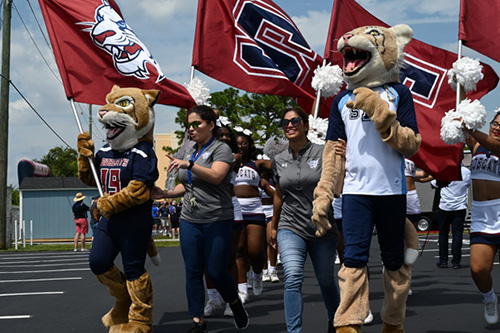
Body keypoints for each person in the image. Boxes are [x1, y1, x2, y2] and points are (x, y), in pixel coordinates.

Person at [151, 105, 248, 332]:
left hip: (217, 218)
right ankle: (197, 321)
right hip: (190, 219)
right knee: (193, 271)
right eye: (189, 125)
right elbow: (186, 184)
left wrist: (190, 165)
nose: (191, 128)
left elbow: (216, 176)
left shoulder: (221, 149)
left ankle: (234, 302)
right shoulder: (188, 150)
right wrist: (164, 193)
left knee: (215, 271)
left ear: (211, 125)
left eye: (197, 124)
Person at [268, 107, 340, 333]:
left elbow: (337, 188)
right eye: (285, 122)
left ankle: (335, 321)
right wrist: (274, 224)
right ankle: (294, 331)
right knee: (292, 277)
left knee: (327, 281)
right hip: (290, 226)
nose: (289, 125)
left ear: (306, 125)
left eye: (295, 121)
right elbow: (279, 194)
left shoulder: (323, 152)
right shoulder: (278, 159)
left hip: (321, 227)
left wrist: (343, 156)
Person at [203, 124, 244, 318]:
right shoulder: (201, 152)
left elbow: (213, 171)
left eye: (228, 136)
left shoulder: (233, 156)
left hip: (230, 210)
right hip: (207, 210)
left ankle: (231, 299)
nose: (226, 138)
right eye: (221, 135)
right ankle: (213, 299)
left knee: (229, 258)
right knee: (207, 260)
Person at [464, 111, 500, 325]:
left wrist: (471, 131)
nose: (496, 127)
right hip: (482, 216)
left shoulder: (493, 146)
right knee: (478, 269)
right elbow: (463, 117)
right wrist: (460, 82)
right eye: (495, 123)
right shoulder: (477, 146)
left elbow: (495, 147)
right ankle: (490, 298)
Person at [234, 133, 267, 300]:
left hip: (254, 210)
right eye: (238, 143)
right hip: (235, 211)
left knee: (255, 251)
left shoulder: (256, 164)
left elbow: (277, 163)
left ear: (249, 145)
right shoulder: (228, 163)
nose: (241, 146)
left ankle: (257, 273)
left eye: (244, 143)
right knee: (239, 250)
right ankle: (242, 290)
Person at [432, 165, 471, 269]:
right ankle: (456, 262)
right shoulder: (466, 171)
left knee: (443, 234)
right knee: (457, 234)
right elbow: (468, 185)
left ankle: (443, 261)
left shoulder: (445, 169)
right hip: (459, 207)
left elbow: (433, 185)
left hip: (445, 206)